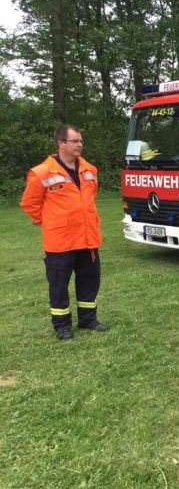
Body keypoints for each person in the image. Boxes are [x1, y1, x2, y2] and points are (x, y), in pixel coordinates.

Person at [20, 125, 108, 341]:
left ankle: (88, 320)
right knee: (59, 285)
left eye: (80, 141)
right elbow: (30, 203)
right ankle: (62, 326)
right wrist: (48, 221)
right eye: (74, 141)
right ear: (61, 143)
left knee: (90, 280)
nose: (79, 144)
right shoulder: (41, 172)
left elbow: (90, 198)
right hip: (60, 241)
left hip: (88, 239)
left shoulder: (90, 170)